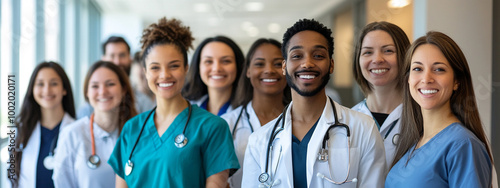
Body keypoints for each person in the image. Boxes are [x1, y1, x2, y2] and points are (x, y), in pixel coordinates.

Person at [242, 19, 386, 188]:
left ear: (331, 65)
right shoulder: (260, 140)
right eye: (297, 56)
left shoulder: (363, 128)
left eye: (318, 56)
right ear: (284, 66)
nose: (307, 63)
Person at [108, 17, 239, 187]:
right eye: (155, 67)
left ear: (186, 68)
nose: (164, 75)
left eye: (174, 66)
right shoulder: (132, 129)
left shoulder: (212, 127)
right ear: (145, 72)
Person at [385, 31, 493, 187]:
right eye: (417, 69)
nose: (427, 79)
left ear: (457, 81)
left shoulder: (463, 144)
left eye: (439, 69)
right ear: (408, 79)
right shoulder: (414, 141)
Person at [52, 61, 137, 188]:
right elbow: (62, 183)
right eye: (95, 86)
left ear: (123, 89)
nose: (102, 92)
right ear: (87, 92)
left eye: (110, 84)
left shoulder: (138, 133)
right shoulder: (72, 134)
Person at [221, 38, 291, 188]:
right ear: (248, 70)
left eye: (278, 64)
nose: (269, 70)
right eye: (259, 64)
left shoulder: (301, 121)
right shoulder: (227, 123)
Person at [5, 62, 76, 188]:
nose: (47, 90)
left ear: (64, 89)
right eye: (40, 84)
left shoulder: (77, 131)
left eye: (54, 83)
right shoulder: (19, 132)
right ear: (32, 89)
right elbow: (11, 178)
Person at [351, 21, 410, 168]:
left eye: (388, 51)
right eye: (368, 52)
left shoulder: (421, 119)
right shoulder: (345, 121)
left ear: (405, 56)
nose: (377, 59)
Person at [77, 36, 154, 118]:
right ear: (103, 59)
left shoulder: (144, 103)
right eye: (112, 56)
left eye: (122, 55)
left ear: (130, 59)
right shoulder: (88, 108)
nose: (117, 62)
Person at [183, 35, 244, 116]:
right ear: (198, 66)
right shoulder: (185, 108)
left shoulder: (249, 112)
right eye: (208, 61)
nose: (217, 68)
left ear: (238, 65)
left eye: (226, 61)